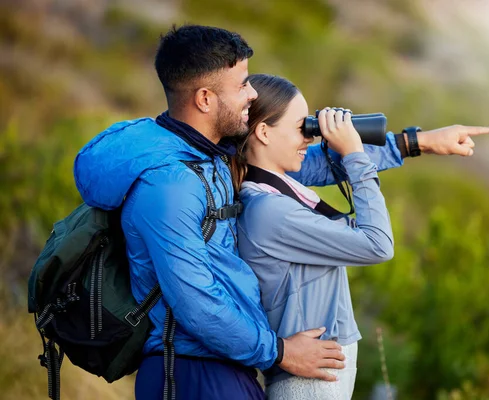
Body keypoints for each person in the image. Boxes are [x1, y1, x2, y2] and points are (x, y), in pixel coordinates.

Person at [73, 26, 347, 400]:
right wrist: (280, 352)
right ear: (205, 98)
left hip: (224, 366)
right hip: (189, 373)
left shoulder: (211, 156)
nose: (253, 94)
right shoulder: (169, 186)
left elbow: (295, 162)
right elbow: (194, 301)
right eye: (242, 85)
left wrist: (413, 143)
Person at [234, 74, 489, 399]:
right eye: (299, 127)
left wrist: (421, 141)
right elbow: (378, 244)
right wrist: (354, 154)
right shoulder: (269, 211)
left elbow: (321, 165)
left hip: (324, 371)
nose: (308, 137)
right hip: (309, 380)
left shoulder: (279, 188)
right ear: (263, 132)